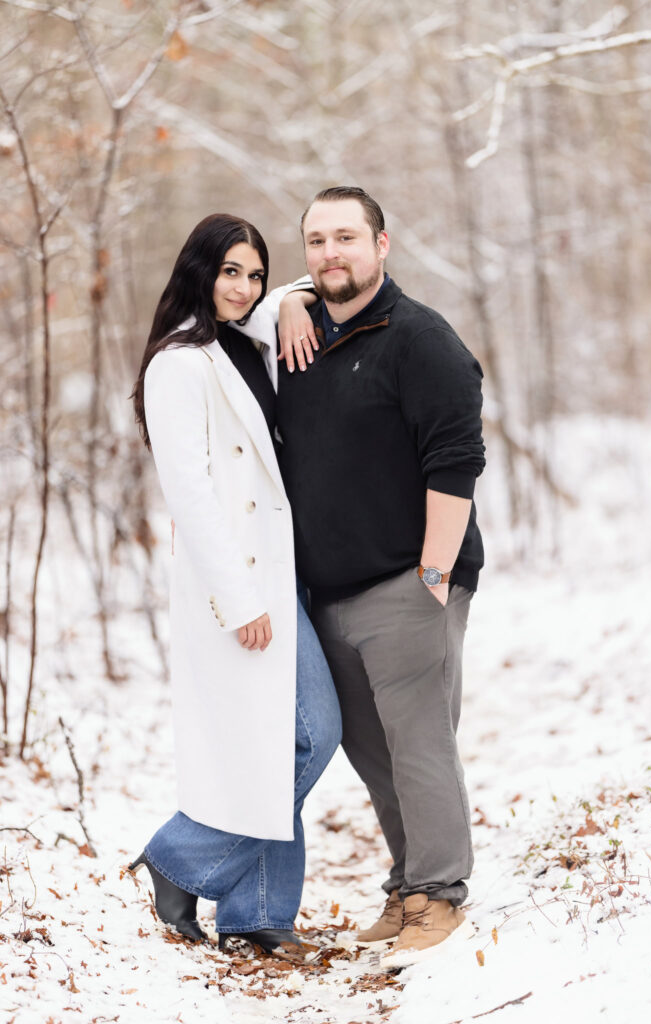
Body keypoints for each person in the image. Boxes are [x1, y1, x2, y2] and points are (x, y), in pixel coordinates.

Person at [276, 186, 486, 969]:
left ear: (382, 245)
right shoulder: (297, 336)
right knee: (373, 753)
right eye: (316, 242)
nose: (332, 254)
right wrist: (291, 299)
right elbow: (234, 302)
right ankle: (406, 886)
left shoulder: (419, 340)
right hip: (329, 592)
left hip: (409, 581)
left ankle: (441, 891)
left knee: (420, 742)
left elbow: (456, 461)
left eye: (347, 239)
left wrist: (434, 572)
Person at [129, 213, 341, 955]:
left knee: (273, 739)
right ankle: (181, 858)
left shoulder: (247, 339)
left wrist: (284, 297)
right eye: (230, 271)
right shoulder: (178, 364)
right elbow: (188, 492)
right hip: (241, 583)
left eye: (253, 274)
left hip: (284, 572)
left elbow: (309, 285)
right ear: (198, 270)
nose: (243, 286)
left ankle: (257, 916)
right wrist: (239, 599)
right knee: (311, 733)